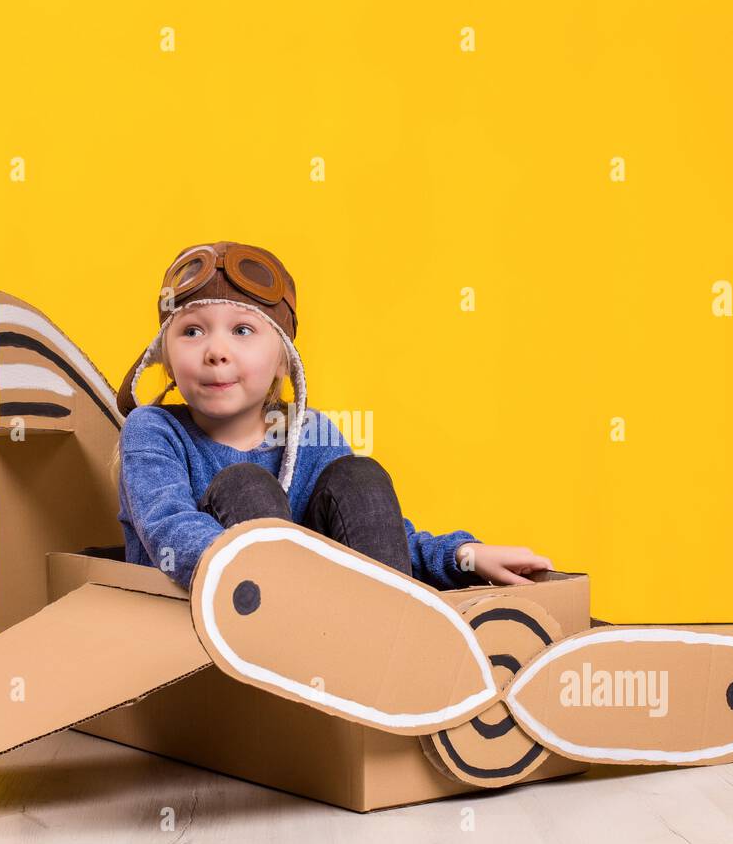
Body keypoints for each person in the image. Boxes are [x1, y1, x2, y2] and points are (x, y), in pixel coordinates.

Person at [110, 240, 554, 592]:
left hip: (331, 630)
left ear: (284, 362)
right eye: (191, 331)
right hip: (225, 621)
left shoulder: (309, 433)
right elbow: (171, 530)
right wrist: (296, 582)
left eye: (243, 330)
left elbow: (377, 535)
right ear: (164, 359)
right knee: (245, 483)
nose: (216, 352)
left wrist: (464, 556)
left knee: (359, 477)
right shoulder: (153, 430)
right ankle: (301, 637)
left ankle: (393, 638)